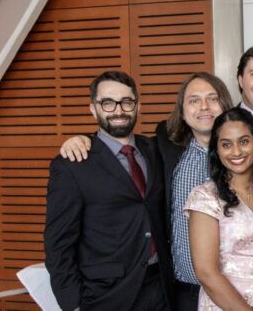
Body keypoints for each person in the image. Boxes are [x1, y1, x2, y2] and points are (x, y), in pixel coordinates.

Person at [57, 72, 253, 311]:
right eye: (194, 100)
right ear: (183, 111)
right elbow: (116, 143)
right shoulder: (164, 148)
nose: (204, 107)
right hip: (180, 293)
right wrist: (82, 140)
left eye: (212, 99)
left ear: (226, 105)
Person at [45, 71, 173, 310]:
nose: (118, 110)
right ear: (93, 109)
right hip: (105, 295)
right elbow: (58, 244)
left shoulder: (157, 149)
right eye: (107, 103)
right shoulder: (73, 164)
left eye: (126, 102)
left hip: (161, 289)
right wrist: (72, 303)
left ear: (137, 106)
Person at [186, 108, 253, 310]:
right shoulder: (205, 196)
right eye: (226, 144)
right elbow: (205, 272)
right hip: (225, 304)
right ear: (216, 150)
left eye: (244, 141)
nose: (236, 151)